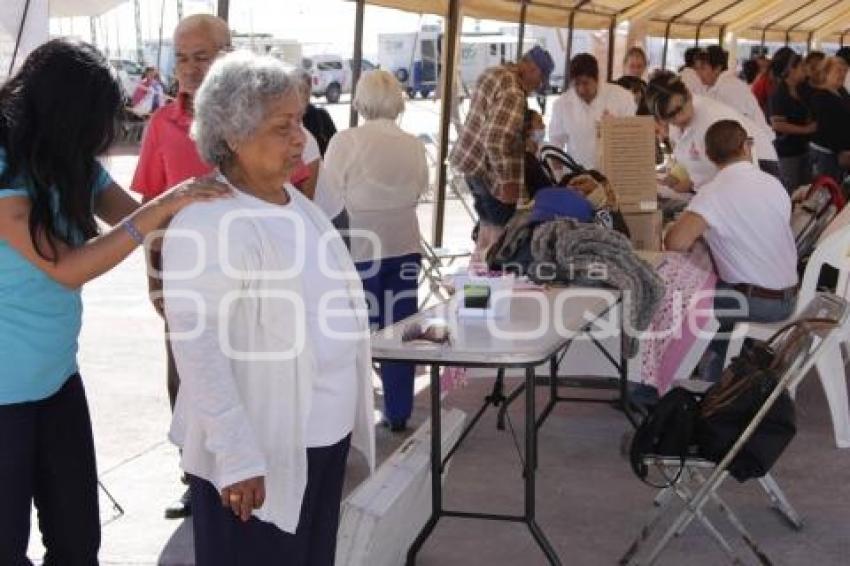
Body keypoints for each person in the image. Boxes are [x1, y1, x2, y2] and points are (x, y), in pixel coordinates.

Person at [0, 39, 227, 565]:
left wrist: (217, 210)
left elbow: (143, 219)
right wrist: (159, 210)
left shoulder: (66, 157)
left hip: (56, 380)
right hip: (5, 395)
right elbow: (68, 267)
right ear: (61, 111)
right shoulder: (6, 161)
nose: (100, 136)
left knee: (79, 540)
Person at [162, 51, 375, 565]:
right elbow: (197, 343)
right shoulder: (209, 221)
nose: (300, 138)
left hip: (322, 440)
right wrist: (235, 455)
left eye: (299, 121)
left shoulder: (299, 207)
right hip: (259, 453)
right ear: (234, 134)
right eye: (284, 126)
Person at [130, 13, 232, 520]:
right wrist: (154, 281)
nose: (190, 69)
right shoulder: (160, 126)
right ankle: (195, 478)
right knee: (186, 378)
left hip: (256, 280)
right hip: (186, 281)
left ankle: (247, 471)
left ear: (226, 56)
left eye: (203, 57)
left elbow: (299, 184)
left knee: (251, 373)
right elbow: (151, 211)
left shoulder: (255, 117)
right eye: (183, 58)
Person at [321, 69, 428, 431]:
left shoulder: (345, 141)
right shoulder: (414, 143)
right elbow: (419, 191)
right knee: (400, 331)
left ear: (360, 99)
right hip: (405, 243)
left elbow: (328, 196)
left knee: (354, 335)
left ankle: (350, 415)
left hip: (361, 249)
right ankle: (398, 411)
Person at [665, 120, 797, 381]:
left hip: (755, 302)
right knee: (714, 289)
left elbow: (675, 242)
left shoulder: (713, 192)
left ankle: (677, 382)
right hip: (788, 297)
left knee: (677, 300)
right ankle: (719, 370)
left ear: (710, 157)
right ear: (746, 147)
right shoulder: (774, 184)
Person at [450, 45, 554, 263]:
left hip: (470, 164)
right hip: (490, 174)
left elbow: (488, 121)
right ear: (533, 70)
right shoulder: (514, 93)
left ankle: (473, 280)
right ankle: (492, 288)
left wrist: (526, 123)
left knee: (486, 232)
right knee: (500, 240)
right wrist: (506, 182)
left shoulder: (494, 74)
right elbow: (496, 140)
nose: (536, 88)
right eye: (540, 81)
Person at [647, 71, 779, 192]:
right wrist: (674, 177)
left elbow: (741, 172)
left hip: (759, 166)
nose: (678, 118)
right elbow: (691, 156)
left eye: (679, 109)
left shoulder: (715, 120)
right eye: (670, 116)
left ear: (688, 94)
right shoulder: (676, 126)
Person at [549, 53, 636, 170]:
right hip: (576, 174)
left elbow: (632, 137)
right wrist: (556, 166)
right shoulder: (562, 104)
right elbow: (556, 140)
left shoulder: (622, 97)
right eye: (576, 84)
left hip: (611, 174)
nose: (581, 89)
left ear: (597, 79)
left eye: (585, 83)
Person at [767, 49, 816, 193]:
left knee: (805, 189)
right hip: (787, 152)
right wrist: (806, 129)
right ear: (790, 70)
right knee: (791, 190)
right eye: (801, 67)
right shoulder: (779, 93)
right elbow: (778, 125)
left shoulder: (802, 88)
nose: (805, 70)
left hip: (803, 148)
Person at [694, 46, 770, 131]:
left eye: (702, 68)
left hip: (753, 139)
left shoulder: (731, 88)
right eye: (696, 69)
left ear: (717, 68)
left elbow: (737, 125)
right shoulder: (709, 86)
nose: (698, 73)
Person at [808, 56, 850, 182]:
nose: (842, 74)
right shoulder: (820, 96)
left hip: (841, 153)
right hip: (827, 154)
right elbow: (827, 127)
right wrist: (840, 151)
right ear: (826, 73)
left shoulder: (842, 92)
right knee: (827, 190)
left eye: (844, 71)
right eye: (838, 71)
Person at [292, 69, 337, 156]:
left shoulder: (322, 117)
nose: (303, 94)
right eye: (298, 89)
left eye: (306, 90)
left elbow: (336, 147)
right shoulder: (286, 120)